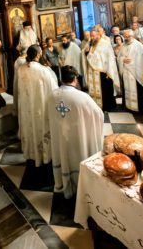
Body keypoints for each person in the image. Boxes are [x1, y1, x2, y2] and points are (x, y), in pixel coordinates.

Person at [48, 66, 104, 199]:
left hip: (60, 138)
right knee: (78, 158)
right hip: (78, 137)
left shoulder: (52, 95)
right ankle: (81, 186)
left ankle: (62, 184)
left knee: (63, 156)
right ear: (75, 79)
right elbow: (99, 115)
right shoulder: (82, 97)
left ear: (62, 78)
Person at [15, 44, 58, 166]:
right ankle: (44, 157)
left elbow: (17, 90)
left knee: (30, 130)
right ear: (39, 54)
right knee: (40, 130)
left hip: (26, 108)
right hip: (40, 108)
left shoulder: (21, 69)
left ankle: (31, 154)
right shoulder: (43, 70)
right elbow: (54, 91)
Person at [85, 28, 121, 111]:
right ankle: (96, 105)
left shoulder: (105, 44)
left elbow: (109, 58)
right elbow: (90, 55)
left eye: (93, 36)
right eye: (91, 36)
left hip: (104, 71)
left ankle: (107, 106)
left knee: (105, 89)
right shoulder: (92, 44)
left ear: (98, 35)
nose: (92, 38)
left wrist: (109, 70)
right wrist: (87, 53)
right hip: (94, 71)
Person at [117, 29, 143, 113]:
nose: (126, 38)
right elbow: (119, 57)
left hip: (135, 72)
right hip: (126, 72)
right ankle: (128, 106)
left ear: (132, 36)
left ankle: (139, 108)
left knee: (138, 90)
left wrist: (131, 62)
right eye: (125, 36)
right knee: (127, 89)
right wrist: (122, 60)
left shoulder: (138, 45)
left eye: (128, 36)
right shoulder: (123, 45)